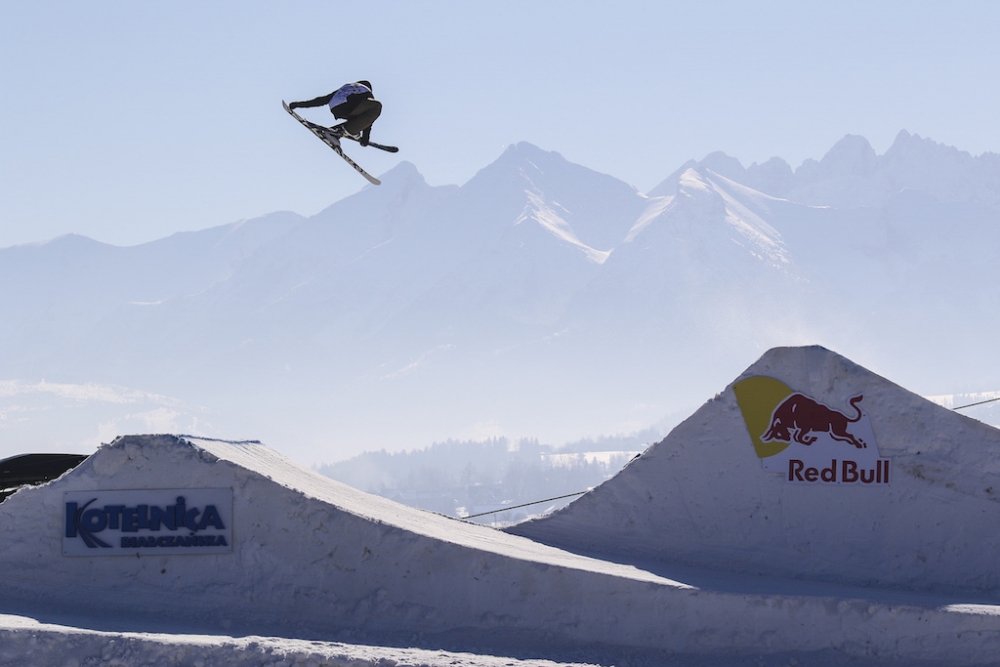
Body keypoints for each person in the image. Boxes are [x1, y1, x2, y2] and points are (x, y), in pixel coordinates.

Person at [288, 81, 381, 147]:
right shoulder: (366, 92)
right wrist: (365, 137)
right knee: (376, 107)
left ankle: (335, 131)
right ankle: (348, 130)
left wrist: (299, 104)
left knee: (358, 118)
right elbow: (369, 118)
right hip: (349, 106)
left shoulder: (349, 89)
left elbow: (322, 100)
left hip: (337, 108)